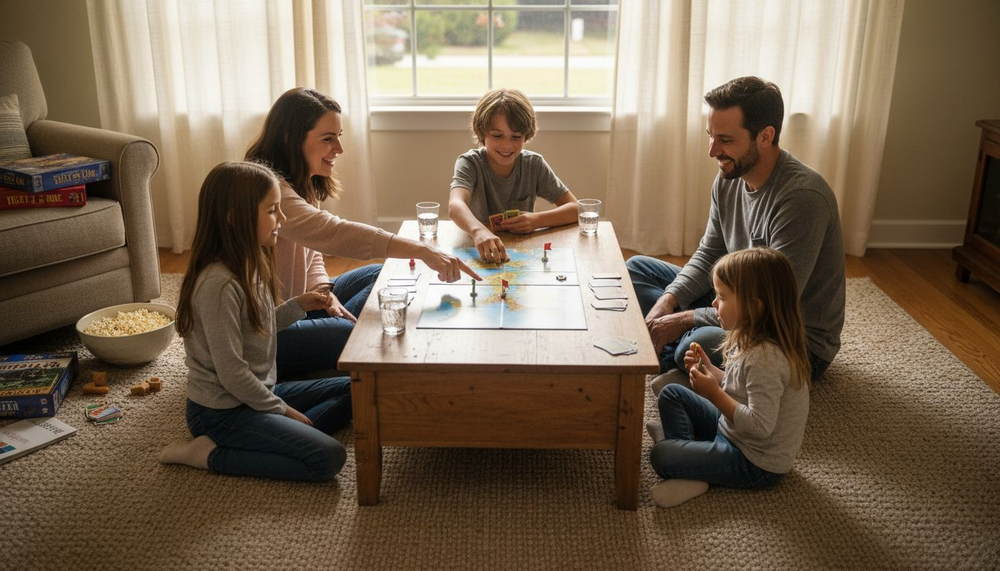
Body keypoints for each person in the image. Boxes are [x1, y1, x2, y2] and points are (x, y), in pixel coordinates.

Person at [246, 87, 480, 380]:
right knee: (349, 334)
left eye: (339, 136)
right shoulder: (271, 190)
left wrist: (324, 292)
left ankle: (333, 345)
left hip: (301, 304)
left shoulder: (302, 181)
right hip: (269, 327)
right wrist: (422, 250)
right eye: (328, 139)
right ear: (290, 139)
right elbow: (332, 232)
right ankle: (328, 353)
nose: (339, 149)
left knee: (378, 276)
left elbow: (312, 248)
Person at [626, 76, 845, 386]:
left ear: (765, 136)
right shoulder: (729, 178)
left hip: (792, 339)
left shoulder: (803, 198)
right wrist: (670, 301)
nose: (713, 151)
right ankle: (685, 365)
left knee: (694, 343)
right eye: (710, 136)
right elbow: (710, 252)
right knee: (637, 270)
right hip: (735, 304)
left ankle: (680, 359)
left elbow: (772, 304)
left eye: (725, 140)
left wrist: (685, 319)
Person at [159, 161, 352, 482]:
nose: (284, 219)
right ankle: (209, 454)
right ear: (236, 219)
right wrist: (283, 410)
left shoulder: (251, 262)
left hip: (258, 394)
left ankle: (275, 438)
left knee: (357, 389)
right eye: (273, 211)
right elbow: (232, 374)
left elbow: (258, 326)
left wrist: (298, 305)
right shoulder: (218, 285)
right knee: (328, 458)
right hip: (220, 412)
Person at [647, 247, 811, 508]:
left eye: (721, 297)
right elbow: (740, 388)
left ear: (753, 308)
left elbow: (760, 426)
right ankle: (690, 459)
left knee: (661, 455)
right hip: (732, 431)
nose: (713, 304)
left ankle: (688, 467)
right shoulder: (746, 336)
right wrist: (712, 371)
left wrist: (713, 392)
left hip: (755, 460)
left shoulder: (765, 359)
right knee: (671, 394)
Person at [448, 88, 580, 262]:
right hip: (478, 249)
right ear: (482, 133)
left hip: (522, 250)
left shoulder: (534, 164)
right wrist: (478, 230)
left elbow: (576, 209)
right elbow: (455, 205)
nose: (506, 145)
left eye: (516, 137)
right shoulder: (470, 163)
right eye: (497, 135)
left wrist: (537, 220)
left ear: (526, 136)